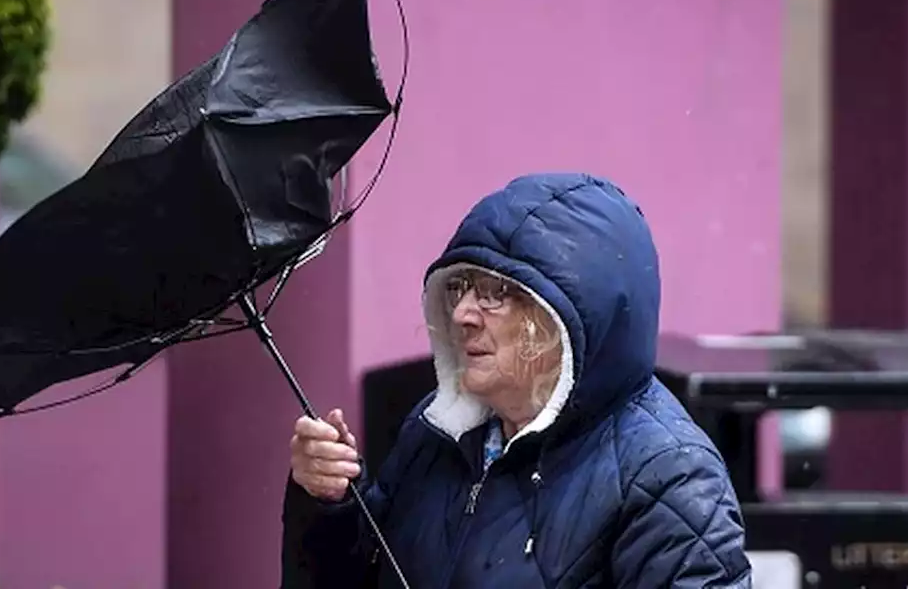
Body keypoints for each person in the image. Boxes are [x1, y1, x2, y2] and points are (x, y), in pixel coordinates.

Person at [281, 173, 752, 588]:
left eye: (496, 293)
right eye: (461, 287)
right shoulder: (440, 431)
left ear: (569, 317)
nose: (463, 314)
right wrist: (331, 503)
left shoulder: (668, 477)